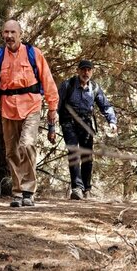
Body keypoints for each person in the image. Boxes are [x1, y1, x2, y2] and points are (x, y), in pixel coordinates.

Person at [0, 20, 59, 207]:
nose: (9, 36)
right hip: (8, 108)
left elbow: (47, 80)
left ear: (20, 34)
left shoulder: (34, 54)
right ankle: (17, 192)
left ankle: (28, 191)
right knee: (12, 152)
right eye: (6, 32)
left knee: (27, 144)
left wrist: (52, 107)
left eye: (13, 32)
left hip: (31, 106)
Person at [57, 60, 118, 200]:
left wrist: (112, 121)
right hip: (69, 123)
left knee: (87, 156)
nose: (86, 73)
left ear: (92, 71)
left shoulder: (95, 88)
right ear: (77, 70)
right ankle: (77, 188)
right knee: (74, 152)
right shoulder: (68, 85)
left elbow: (105, 106)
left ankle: (86, 188)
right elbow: (56, 106)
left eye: (88, 70)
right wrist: (52, 127)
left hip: (86, 124)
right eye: (83, 70)